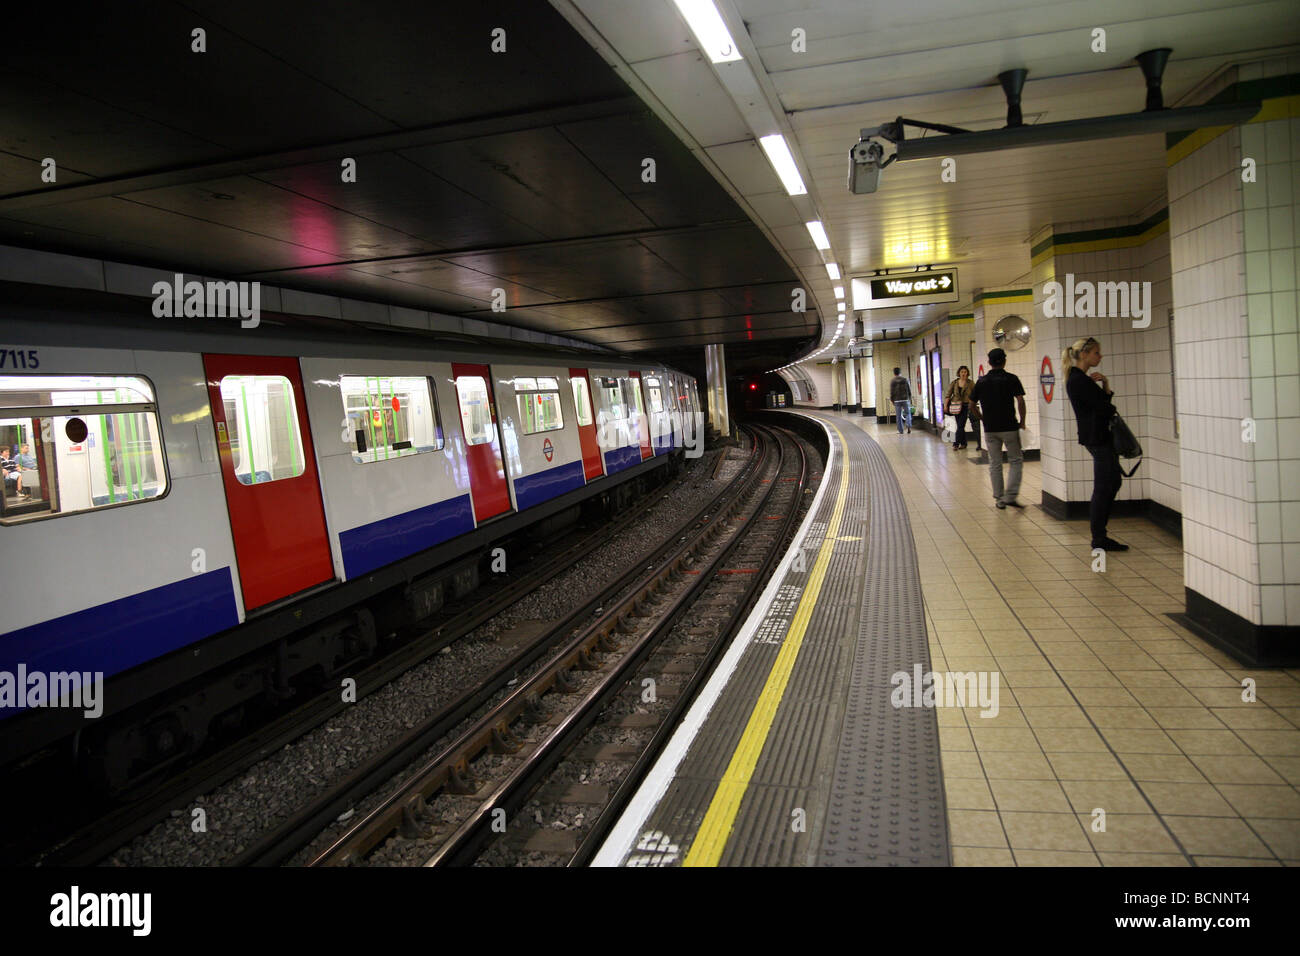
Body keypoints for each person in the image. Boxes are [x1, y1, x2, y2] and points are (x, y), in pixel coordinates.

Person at [1064, 336, 1127, 552]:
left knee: (1112, 483)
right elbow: (1106, 408)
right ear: (1084, 354)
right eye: (1096, 353)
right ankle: (1098, 537)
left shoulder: (1079, 379)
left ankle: (1100, 534)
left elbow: (1101, 404)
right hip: (1097, 437)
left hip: (1096, 436)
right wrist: (1106, 390)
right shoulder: (1079, 380)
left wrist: (1105, 386)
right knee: (1104, 487)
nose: (1100, 356)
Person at [969, 348, 1026, 509]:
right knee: (1016, 460)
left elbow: (972, 405)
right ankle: (1011, 495)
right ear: (1005, 361)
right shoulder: (1012, 379)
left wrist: (982, 419)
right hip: (1009, 427)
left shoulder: (982, 382)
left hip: (990, 428)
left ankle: (1000, 498)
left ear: (989, 362)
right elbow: (1020, 401)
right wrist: (1022, 421)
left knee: (995, 463)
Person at [943, 366, 974, 449]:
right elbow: (948, 395)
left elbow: (974, 394)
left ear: (967, 373)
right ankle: (964, 443)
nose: (963, 373)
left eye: (965, 372)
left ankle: (955, 444)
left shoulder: (970, 383)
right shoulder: (954, 383)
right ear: (959, 373)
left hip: (966, 405)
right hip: (955, 406)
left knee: (960, 425)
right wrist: (945, 405)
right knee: (960, 425)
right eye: (962, 372)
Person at [889, 367, 912, 434]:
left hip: (897, 400)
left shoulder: (892, 381)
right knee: (907, 413)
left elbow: (892, 392)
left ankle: (901, 430)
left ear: (894, 373)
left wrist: (892, 399)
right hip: (905, 399)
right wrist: (909, 397)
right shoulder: (905, 380)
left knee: (898, 415)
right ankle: (909, 426)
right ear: (900, 372)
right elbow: (908, 389)